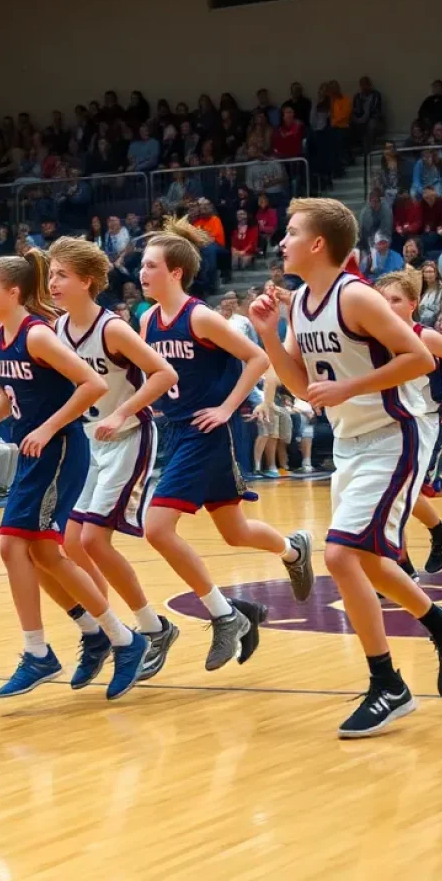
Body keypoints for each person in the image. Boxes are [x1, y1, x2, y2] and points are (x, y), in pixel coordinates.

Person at [252, 198, 442, 738]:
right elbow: (298, 384)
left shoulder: (355, 296)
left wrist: (348, 387)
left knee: (340, 555)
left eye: (290, 233)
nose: (281, 241)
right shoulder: (301, 306)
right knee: (374, 563)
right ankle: (440, 626)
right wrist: (269, 335)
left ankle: (388, 685)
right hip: (350, 440)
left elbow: (421, 358)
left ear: (317, 245)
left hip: (395, 433)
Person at [0, 251, 152, 701]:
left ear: (13, 293)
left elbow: (93, 385)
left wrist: (47, 427)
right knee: (44, 553)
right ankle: (111, 636)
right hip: (32, 453)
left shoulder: (37, 335)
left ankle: (42, 650)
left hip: (59, 451)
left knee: (11, 545)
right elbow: (7, 395)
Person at [140, 219, 312, 673]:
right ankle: (293, 550)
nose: (142, 272)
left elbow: (256, 358)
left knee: (156, 529)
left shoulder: (199, 316)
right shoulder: (145, 319)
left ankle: (225, 617)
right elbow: (156, 373)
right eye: (142, 265)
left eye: (151, 265)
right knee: (234, 531)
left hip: (206, 432)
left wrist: (227, 408)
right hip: (177, 430)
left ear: (175, 272)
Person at [44, 237, 182, 685]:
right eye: (50, 274)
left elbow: (166, 373)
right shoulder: (56, 331)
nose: (53, 282)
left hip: (128, 437)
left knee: (96, 541)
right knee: (69, 544)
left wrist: (123, 411)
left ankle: (153, 628)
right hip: (86, 444)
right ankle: (108, 632)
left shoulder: (113, 329)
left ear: (87, 281)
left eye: (61, 274)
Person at [374, 269, 442, 578]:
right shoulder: (374, 338)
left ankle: (405, 563)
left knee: (401, 493)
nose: (388, 305)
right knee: (390, 494)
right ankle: (410, 559)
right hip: (389, 420)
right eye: (382, 300)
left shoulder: (423, 335)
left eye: (396, 300)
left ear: (413, 304)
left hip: (424, 420)